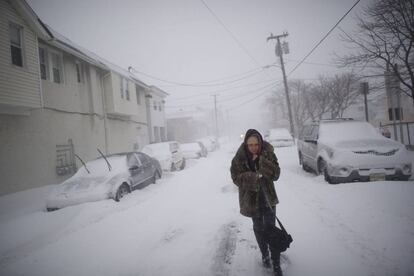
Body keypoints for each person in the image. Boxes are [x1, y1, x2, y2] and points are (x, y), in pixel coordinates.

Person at [230, 129, 282, 276]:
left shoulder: (268, 153)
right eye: (250, 144)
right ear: (246, 144)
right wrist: (253, 177)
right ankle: (265, 256)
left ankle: (276, 264)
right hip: (252, 200)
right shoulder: (239, 158)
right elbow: (235, 177)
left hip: (268, 198)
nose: (253, 147)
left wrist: (262, 163)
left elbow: (276, 174)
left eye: (256, 144)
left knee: (271, 230)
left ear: (260, 143)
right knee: (258, 229)